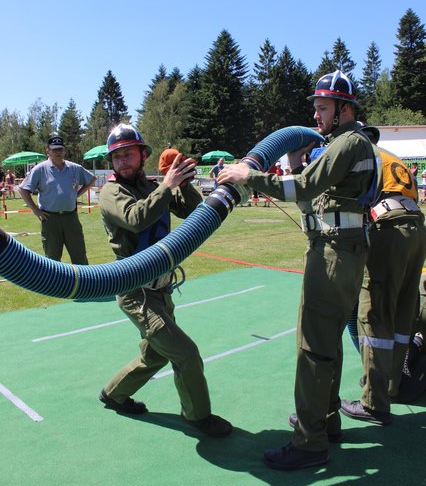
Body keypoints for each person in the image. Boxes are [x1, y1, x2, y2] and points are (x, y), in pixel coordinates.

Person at [218, 69, 377, 470]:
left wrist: (247, 175)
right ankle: (325, 421)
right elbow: (314, 195)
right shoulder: (350, 143)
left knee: (312, 348)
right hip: (343, 250)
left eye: (323, 108)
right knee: (328, 342)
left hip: (334, 254)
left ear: (344, 109)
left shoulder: (347, 143)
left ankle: (309, 443)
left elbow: (302, 189)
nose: (317, 116)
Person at [98, 124, 232, 438]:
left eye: (128, 154)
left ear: (142, 155)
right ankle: (197, 416)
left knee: (156, 354)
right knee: (185, 353)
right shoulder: (110, 191)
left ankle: (114, 393)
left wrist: (182, 181)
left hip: (161, 287)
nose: (122, 161)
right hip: (135, 292)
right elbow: (136, 218)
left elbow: (192, 210)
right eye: (116, 156)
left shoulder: (149, 184)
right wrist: (167, 185)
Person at [340, 124, 426, 425]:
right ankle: (392, 384)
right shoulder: (394, 159)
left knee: (374, 313)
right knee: (402, 313)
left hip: (388, 228)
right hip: (415, 228)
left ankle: (374, 403)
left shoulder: (360, 156)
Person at [18, 134, 96, 264]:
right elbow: (23, 189)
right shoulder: (39, 169)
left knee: (80, 256)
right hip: (50, 219)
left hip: (71, 218)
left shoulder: (74, 168)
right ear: (47, 151)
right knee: (52, 259)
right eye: (54, 150)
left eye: (60, 149)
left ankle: (85, 284)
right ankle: (55, 285)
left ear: (64, 150)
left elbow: (92, 179)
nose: (58, 152)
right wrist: (36, 210)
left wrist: (76, 194)